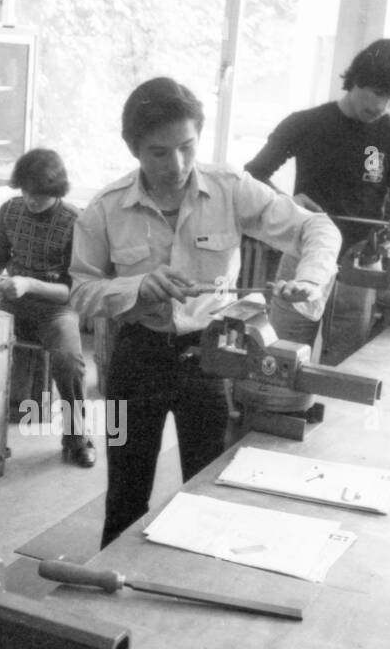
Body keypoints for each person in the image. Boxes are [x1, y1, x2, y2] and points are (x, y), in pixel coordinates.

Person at [71, 77, 340, 548]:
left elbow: (317, 228)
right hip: (134, 360)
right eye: (158, 152)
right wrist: (135, 287)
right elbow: (82, 292)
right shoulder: (105, 209)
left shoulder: (230, 188)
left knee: (207, 488)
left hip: (211, 358)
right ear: (133, 148)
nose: (176, 165)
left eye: (187, 147)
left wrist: (310, 279)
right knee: (126, 495)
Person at [245, 37, 390, 259]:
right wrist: (285, 201)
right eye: (378, 92)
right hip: (305, 251)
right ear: (359, 78)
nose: (382, 106)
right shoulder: (305, 123)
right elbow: (253, 175)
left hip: (365, 259)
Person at [0, 148, 95, 467]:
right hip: (13, 302)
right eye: (25, 191)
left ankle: (77, 435)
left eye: (38, 195)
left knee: (68, 361)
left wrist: (29, 284)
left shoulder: (75, 221)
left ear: (56, 191)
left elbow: (73, 289)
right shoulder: (9, 210)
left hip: (56, 308)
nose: (30, 200)